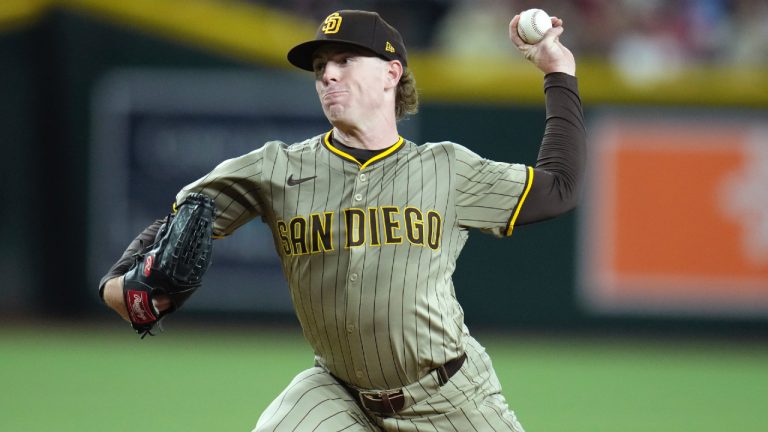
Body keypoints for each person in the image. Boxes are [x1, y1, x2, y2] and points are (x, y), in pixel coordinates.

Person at [99, 9, 584, 431]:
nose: (328, 75)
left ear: (392, 73)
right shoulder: (277, 168)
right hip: (337, 394)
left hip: (449, 396)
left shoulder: (446, 169)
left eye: (345, 61)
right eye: (320, 68)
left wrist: (558, 72)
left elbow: (559, 188)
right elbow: (185, 217)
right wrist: (119, 283)